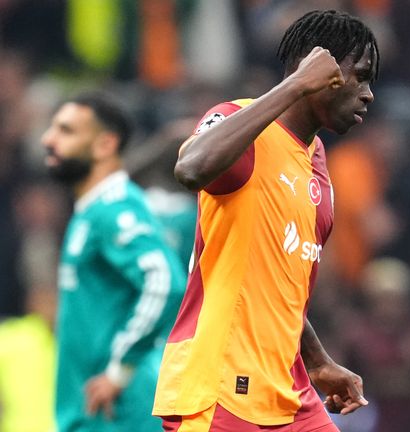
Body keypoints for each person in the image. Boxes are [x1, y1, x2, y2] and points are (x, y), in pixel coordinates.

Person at [152, 9, 379, 431]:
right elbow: (190, 168)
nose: (367, 94)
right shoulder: (240, 122)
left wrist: (318, 361)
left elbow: (278, 283)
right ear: (317, 67)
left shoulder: (315, 159)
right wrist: (294, 85)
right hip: (220, 386)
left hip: (289, 390)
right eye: (360, 76)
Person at [41, 93, 187, 431]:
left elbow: (165, 282)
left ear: (105, 144)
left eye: (66, 130)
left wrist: (120, 369)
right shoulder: (93, 210)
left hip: (118, 411)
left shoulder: (115, 208)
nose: (48, 139)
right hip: (94, 407)